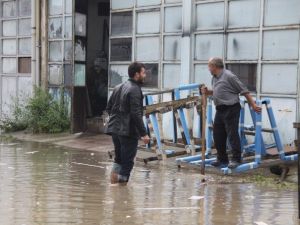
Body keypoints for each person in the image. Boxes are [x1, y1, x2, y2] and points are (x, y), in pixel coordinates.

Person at [201, 57, 261, 169]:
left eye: (209, 66)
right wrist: (208, 92)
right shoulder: (214, 78)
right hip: (220, 109)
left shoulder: (229, 76)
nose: (208, 68)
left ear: (214, 66)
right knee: (218, 134)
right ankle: (222, 159)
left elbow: (244, 90)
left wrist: (253, 105)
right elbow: (219, 91)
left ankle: (236, 159)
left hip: (231, 108)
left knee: (232, 134)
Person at [105, 62, 150, 184]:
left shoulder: (118, 87)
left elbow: (109, 108)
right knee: (127, 164)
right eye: (143, 73)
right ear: (136, 74)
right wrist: (144, 134)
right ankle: (121, 194)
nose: (145, 75)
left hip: (115, 130)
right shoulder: (135, 89)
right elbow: (136, 114)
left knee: (118, 160)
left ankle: (113, 188)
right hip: (127, 132)